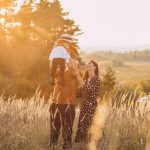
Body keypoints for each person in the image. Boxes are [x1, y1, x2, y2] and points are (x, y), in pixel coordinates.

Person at [49, 59, 80, 149]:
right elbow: (53, 71)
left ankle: (66, 147)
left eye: (75, 62)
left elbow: (81, 87)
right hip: (58, 103)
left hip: (70, 105)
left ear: (77, 66)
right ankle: (52, 146)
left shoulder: (78, 75)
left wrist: (77, 74)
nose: (72, 62)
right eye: (71, 61)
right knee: (55, 127)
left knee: (68, 129)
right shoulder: (61, 72)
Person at [73, 60, 100, 143]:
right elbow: (79, 94)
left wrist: (78, 76)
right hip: (84, 106)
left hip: (91, 107)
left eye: (90, 64)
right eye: (87, 64)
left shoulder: (97, 80)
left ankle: (90, 145)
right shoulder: (85, 80)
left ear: (94, 67)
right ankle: (81, 145)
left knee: (90, 126)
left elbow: (88, 89)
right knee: (81, 126)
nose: (87, 65)